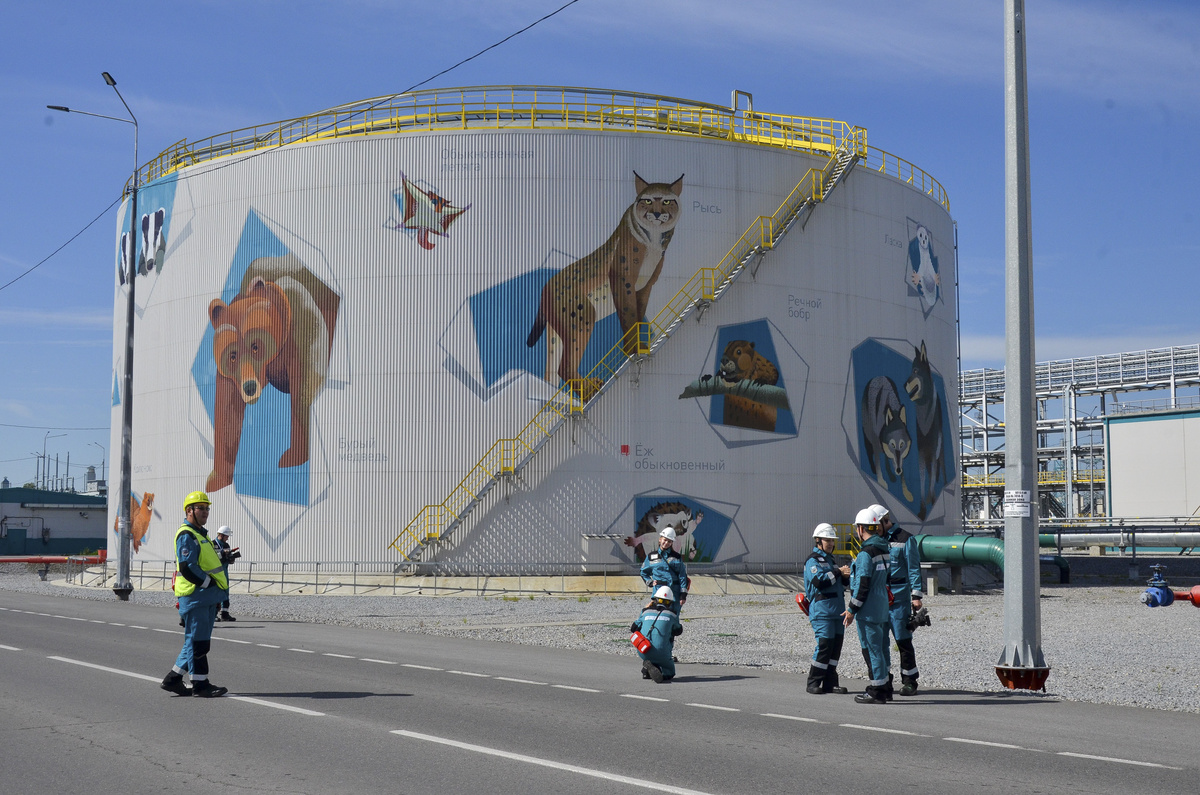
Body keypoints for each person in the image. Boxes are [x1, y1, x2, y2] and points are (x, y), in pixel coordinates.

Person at [160, 491, 229, 698]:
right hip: (196, 595)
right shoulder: (187, 534)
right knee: (198, 642)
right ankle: (200, 684)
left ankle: (173, 679)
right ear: (189, 511)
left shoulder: (200, 534)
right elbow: (188, 567)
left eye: (207, 508)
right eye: (201, 508)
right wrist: (208, 584)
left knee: (195, 641)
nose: (205, 512)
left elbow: (205, 562)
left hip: (207, 596)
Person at [870, 503, 923, 696]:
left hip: (899, 600)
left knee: (903, 641)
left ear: (885, 521)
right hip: (880, 599)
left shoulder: (906, 539)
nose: (873, 530)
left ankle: (910, 681)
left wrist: (916, 596)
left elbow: (914, 568)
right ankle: (886, 681)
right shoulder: (876, 541)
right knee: (881, 643)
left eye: (876, 525)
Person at [843, 507, 892, 704]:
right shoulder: (884, 550)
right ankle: (886, 686)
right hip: (881, 606)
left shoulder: (865, 554)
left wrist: (851, 609)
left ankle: (877, 691)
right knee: (882, 648)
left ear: (861, 529)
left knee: (872, 650)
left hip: (868, 609)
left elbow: (862, 586)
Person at [803, 523, 851, 695]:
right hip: (822, 612)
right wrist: (838, 572)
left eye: (832, 540)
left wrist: (845, 577)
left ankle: (830, 683)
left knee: (835, 648)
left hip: (837, 611)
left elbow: (840, 583)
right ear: (818, 540)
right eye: (827, 540)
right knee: (824, 646)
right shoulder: (813, 561)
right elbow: (820, 582)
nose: (830, 543)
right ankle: (813, 682)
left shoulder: (831, 561)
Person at [630, 585, 683, 683]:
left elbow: (633, 628)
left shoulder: (645, 612)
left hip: (643, 649)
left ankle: (647, 669)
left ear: (655, 599)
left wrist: (644, 610)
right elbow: (678, 631)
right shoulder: (672, 614)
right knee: (669, 673)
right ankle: (660, 669)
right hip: (662, 653)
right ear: (670, 602)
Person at [640, 527, 688, 614]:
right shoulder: (651, 556)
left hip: (675, 592)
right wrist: (650, 582)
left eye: (669, 541)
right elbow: (643, 572)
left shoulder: (677, 557)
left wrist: (683, 595)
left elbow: (682, 576)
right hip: (658, 591)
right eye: (665, 540)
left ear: (672, 543)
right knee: (657, 615)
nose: (666, 543)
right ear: (660, 539)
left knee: (673, 616)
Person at [213, 525, 238, 622]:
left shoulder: (226, 545)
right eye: (226, 536)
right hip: (215, 573)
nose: (227, 538)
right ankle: (213, 614)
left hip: (224, 572)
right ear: (221, 535)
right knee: (216, 593)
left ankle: (225, 614)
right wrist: (223, 553)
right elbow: (213, 558)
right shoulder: (212, 544)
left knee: (225, 592)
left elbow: (228, 560)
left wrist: (231, 558)